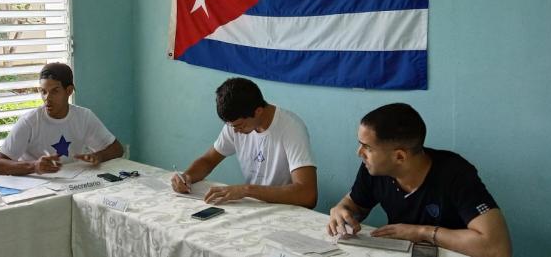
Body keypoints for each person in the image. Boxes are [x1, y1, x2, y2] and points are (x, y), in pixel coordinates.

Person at [327, 103, 511, 257]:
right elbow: (356, 205)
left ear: (399, 157)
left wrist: (421, 232)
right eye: (359, 144)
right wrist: (342, 210)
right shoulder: (373, 168)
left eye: (367, 147)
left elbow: (497, 248)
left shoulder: (456, 173)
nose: (359, 153)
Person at [170, 77, 317, 207]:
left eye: (239, 125)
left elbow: (307, 194)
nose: (235, 131)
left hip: (285, 210)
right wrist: (187, 177)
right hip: (253, 206)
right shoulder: (236, 124)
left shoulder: (291, 127)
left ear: (258, 111)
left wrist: (246, 190)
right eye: (231, 126)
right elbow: (209, 160)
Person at [0, 63, 124, 175]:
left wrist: (98, 157)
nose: (47, 98)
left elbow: (117, 149)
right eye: (43, 91)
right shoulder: (29, 121)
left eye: (54, 91)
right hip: (38, 190)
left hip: (72, 185)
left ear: (69, 91)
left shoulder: (84, 117)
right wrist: (34, 166)